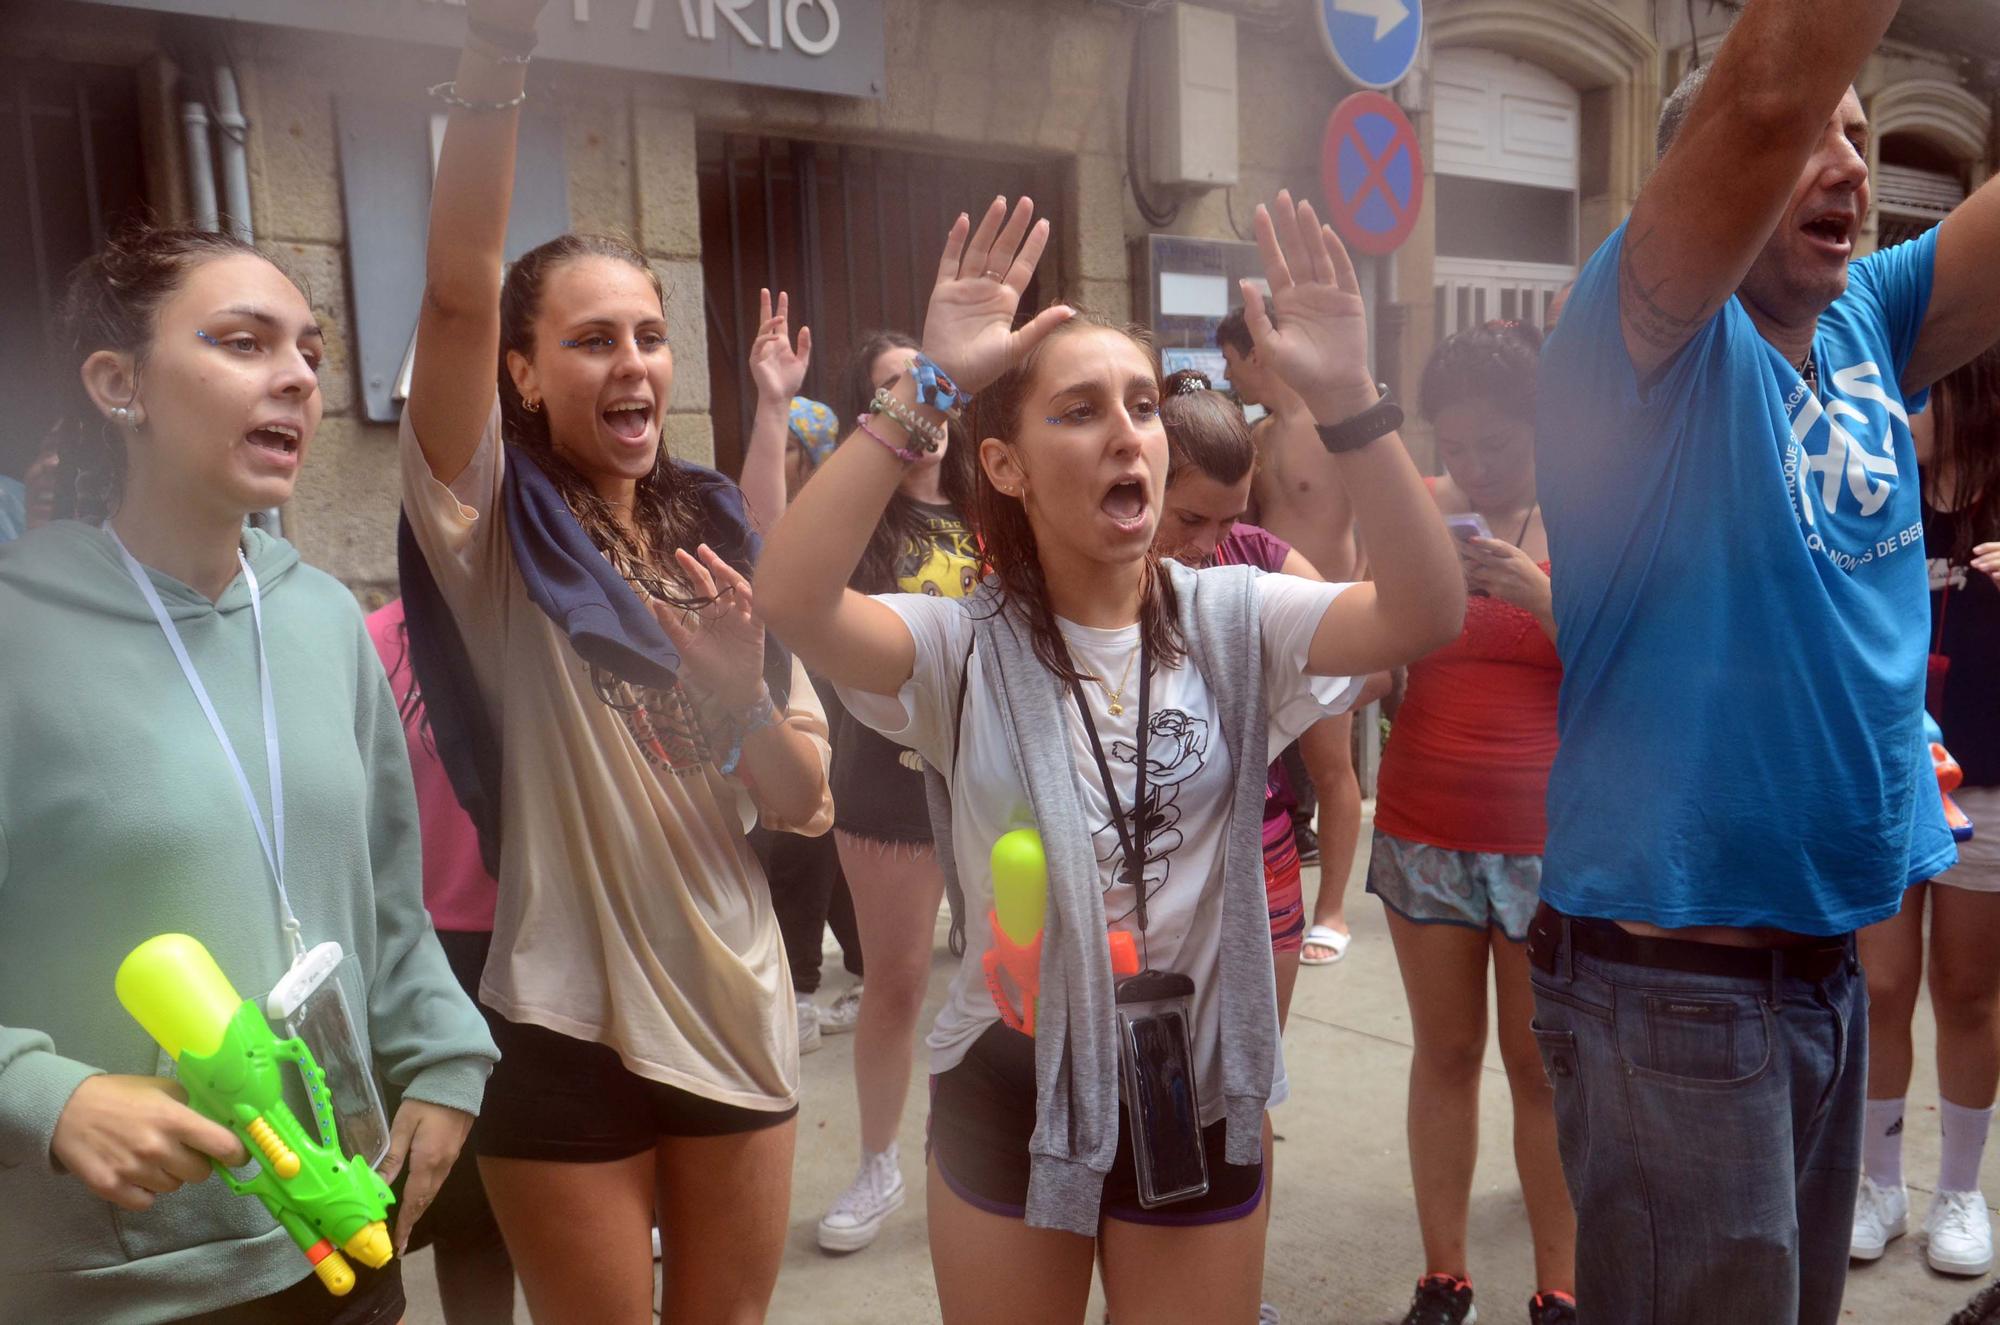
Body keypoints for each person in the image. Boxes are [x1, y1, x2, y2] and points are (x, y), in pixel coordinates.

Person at [759, 189, 1464, 1324]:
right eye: (1078, 411)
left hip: (1192, 1076)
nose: (1125, 430)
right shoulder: (958, 642)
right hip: (1009, 1077)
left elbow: (1426, 611)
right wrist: (921, 387)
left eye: (1139, 404)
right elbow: (792, 597)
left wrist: (1344, 399)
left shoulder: (1237, 615)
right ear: (1003, 463)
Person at [1529, 0, 2000, 1316]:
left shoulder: (1862, 324)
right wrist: (1786, 101)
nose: (1849, 160)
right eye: (1814, 137)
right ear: (1714, 189)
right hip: (1675, 991)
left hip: (1819, 968)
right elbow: (1759, 93)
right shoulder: (1643, 339)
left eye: (1866, 132)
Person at [398, 3, 835, 1321]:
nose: (632, 360)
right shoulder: (492, 531)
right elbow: (459, 288)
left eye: (646, 333)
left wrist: (732, 689)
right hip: (557, 1018)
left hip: (733, 999)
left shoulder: (722, 540)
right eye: (591, 340)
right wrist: (501, 56)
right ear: (521, 377)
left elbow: (802, 799)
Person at [0, 226, 497, 1325]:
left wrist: (449, 1062)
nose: (296, 378)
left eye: (311, 354)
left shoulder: (321, 614)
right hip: (117, 1277)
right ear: (116, 383)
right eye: (241, 341)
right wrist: (45, 1093)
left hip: (342, 1232)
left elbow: (384, 903)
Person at [1367, 322, 1574, 1325]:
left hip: (1546, 838)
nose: (1474, 464)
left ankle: (1557, 1285)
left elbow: (1637, 667)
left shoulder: (1582, 520)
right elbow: (1368, 647)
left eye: (1496, 443)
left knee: (1538, 1066)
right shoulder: (1419, 517)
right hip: (1422, 824)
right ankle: (1442, 1276)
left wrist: (1538, 595)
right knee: (1442, 1052)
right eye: (1453, 446)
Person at [813, 326, 981, 1253]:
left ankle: (1001, 1142)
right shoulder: (860, 522)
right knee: (900, 982)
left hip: (1000, 776)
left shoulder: (997, 501)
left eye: (935, 384)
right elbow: (788, 577)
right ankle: (879, 1162)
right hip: (891, 782)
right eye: (898, 389)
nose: (928, 403)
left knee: (1017, 970)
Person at [1853, 343, 2000, 1276]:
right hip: (1885, 777)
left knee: (1968, 988)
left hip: (1986, 777)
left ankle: (1959, 1189)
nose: (1899, 407)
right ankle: (1877, 1185)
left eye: (1918, 392)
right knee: (1879, 987)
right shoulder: (1874, 493)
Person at [367, 600, 519, 1322]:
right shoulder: (370, 639)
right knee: (466, 1211)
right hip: (434, 953)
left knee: (572, 1189)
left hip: (560, 942)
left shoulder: (559, 618)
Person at [731, 289, 864, 1057]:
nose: (778, 460)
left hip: (840, 696)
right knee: (817, 837)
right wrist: (770, 407)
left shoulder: (845, 518)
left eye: (789, 449)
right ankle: (838, 973)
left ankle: (808, 987)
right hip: (788, 685)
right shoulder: (779, 521)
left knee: (817, 841)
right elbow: (759, 530)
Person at [1215, 309, 1364, 966]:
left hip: (1326, 620)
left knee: (1332, 767)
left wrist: (1359, 605)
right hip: (1257, 618)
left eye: (1230, 356)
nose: (1223, 370)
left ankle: (1331, 909)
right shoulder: (1254, 436)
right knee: (1258, 765)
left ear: (1257, 355)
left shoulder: (1335, 431)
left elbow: (1382, 524)